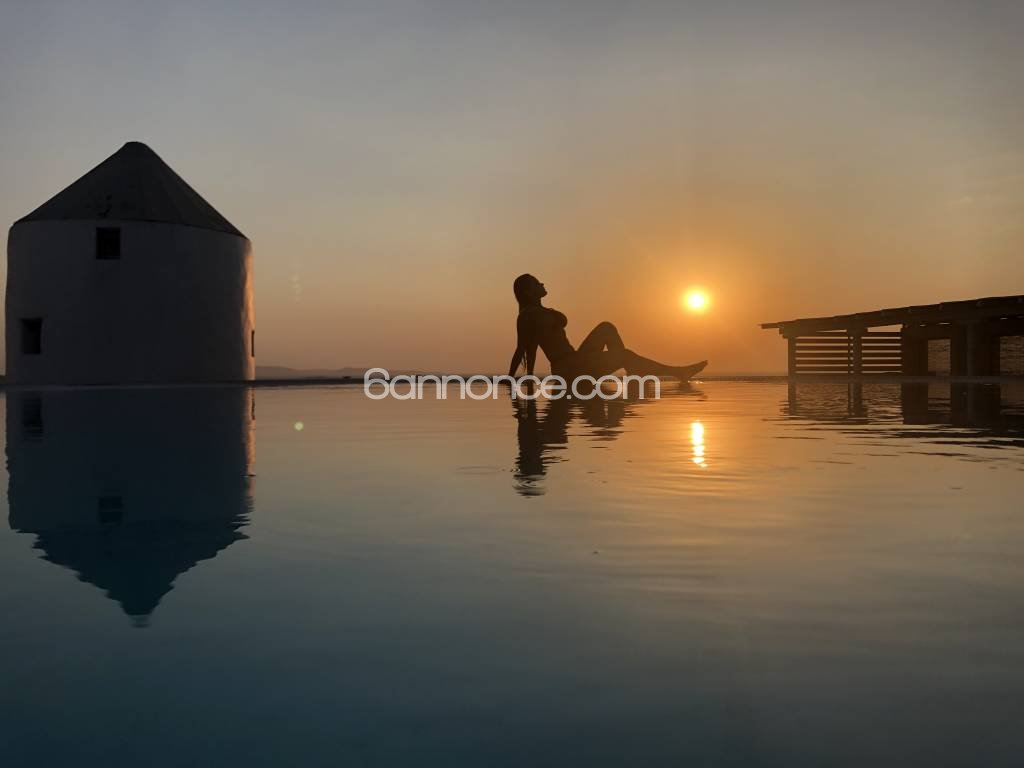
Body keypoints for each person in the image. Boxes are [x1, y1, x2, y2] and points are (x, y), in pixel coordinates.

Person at [507, 273, 708, 381]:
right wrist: (520, 377)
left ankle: (633, 371)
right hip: (568, 368)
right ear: (528, 292)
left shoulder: (541, 311)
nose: (542, 284)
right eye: (536, 283)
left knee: (606, 327)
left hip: (576, 360)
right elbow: (525, 348)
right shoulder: (528, 315)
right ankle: (676, 372)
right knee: (624, 355)